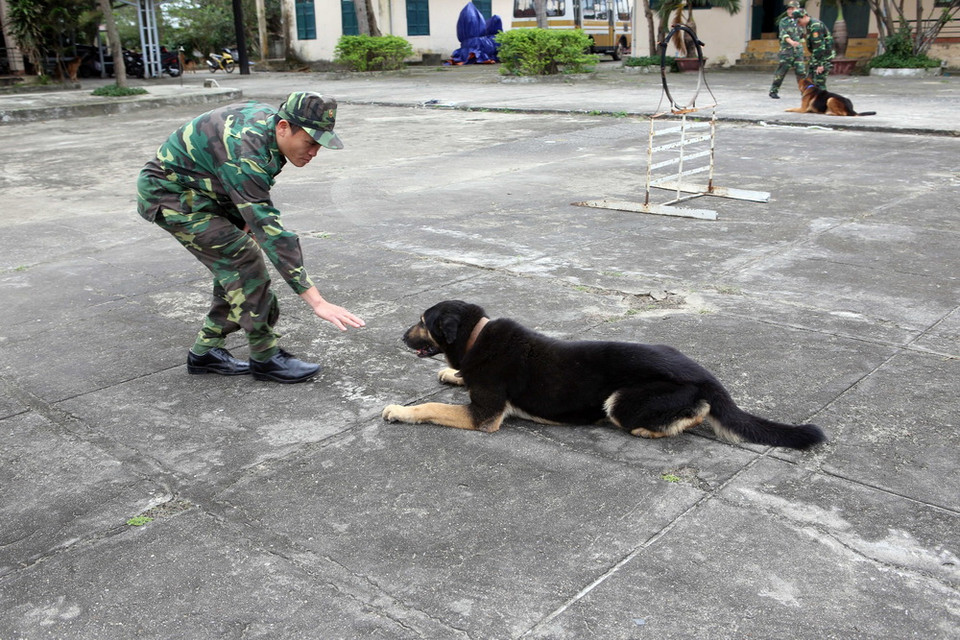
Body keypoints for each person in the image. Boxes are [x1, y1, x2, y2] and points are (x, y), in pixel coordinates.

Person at [137, 91, 365, 384]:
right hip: (171, 195)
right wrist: (317, 301)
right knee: (244, 260)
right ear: (283, 127)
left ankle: (206, 351)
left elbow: (248, 191)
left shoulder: (269, 132)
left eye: (319, 145)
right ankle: (265, 356)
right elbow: (271, 231)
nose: (314, 152)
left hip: (211, 189)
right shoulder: (248, 150)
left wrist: (245, 220)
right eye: (310, 142)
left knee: (233, 267)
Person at [768, 0, 806, 99]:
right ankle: (773, 91)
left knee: (801, 72)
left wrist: (801, 43)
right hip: (787, 51)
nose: (790, 11)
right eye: (789, 9)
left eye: (792, 9)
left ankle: (804, 92)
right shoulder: (784, 21)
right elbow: (783, 34)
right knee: (781, 71)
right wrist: (791, 42)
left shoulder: (800, 21)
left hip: (798, 51)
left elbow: (802, 35)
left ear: (797, 9)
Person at [794, 9, 835, 89]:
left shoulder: (815, 26)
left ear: (804, 16)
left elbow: (819, 46)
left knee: (819, 83)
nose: (799, 24)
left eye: (799, 21)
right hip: (816, 57)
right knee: (810, 81)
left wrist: (820, 64)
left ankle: (821, 97)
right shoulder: (809, 25)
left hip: (823, 57)